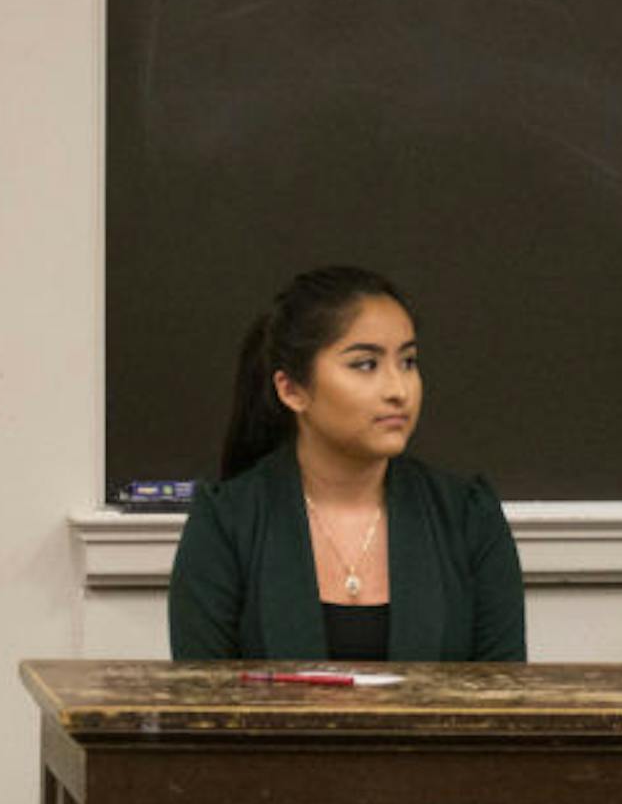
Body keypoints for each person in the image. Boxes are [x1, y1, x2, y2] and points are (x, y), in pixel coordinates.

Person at [169, 266, 527, 661]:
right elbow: (202, 709)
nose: (399, 390)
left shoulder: (468, 518)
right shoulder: (227, 523)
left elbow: (503, 704)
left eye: (408, 362)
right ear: (292, 390)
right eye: (365, 365)